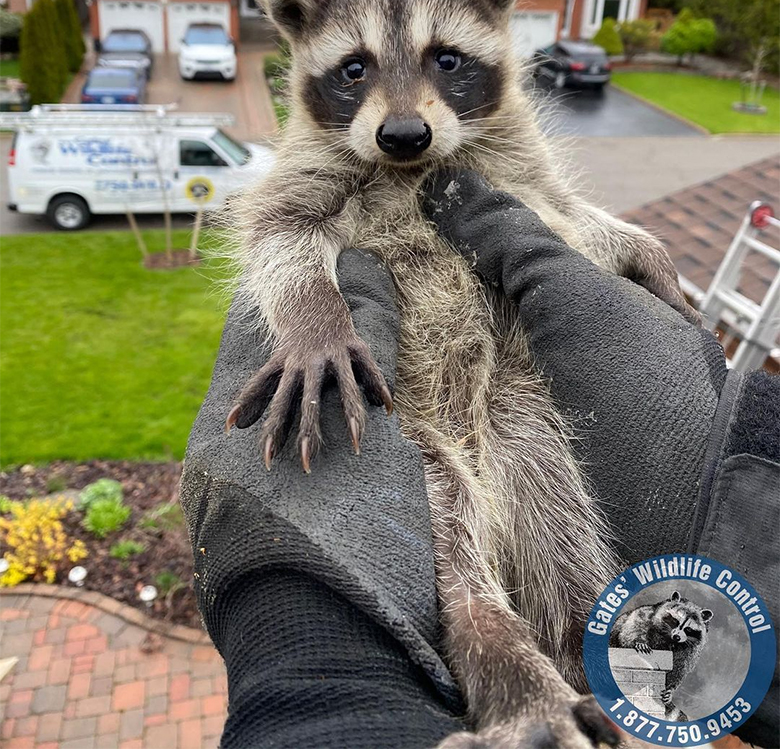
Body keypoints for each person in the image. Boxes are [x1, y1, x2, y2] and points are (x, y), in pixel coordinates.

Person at [181, 169, 779, 749]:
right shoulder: (328, 158)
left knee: (580, 592)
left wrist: (713, 476)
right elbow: (281, 227)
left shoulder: (486, 137)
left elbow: (550, 207)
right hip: (409, 406)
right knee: (464, 583)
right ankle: (524, 705)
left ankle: (616, 718)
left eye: (448, 60)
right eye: (354, 72)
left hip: (514, 392)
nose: (405, 121)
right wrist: (311, 319)